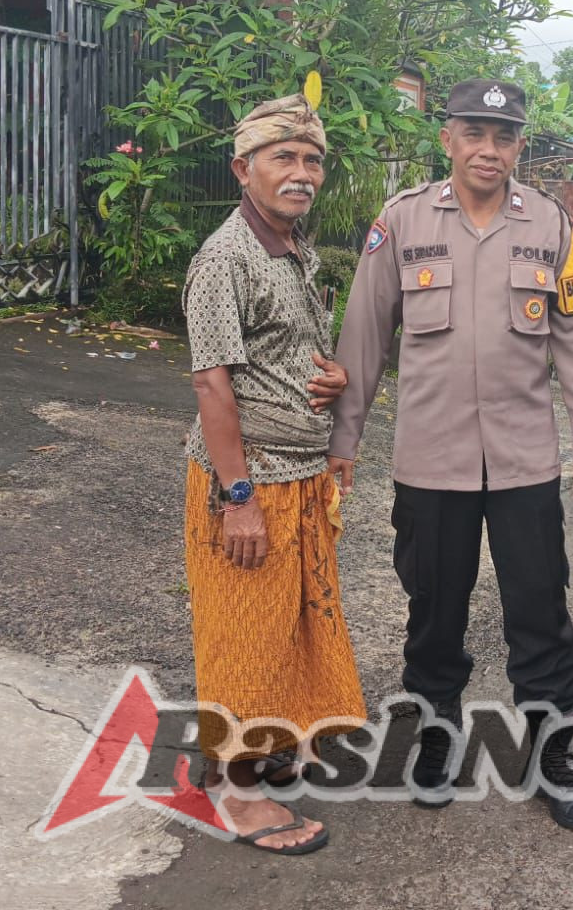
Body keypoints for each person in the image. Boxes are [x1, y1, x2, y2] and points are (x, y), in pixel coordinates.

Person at [330, 79, 573, 831]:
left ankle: (553, 760)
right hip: (431, 461)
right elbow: (364, 335)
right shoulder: (402, 221)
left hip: (524, 462)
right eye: (475, 133)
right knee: (433, 612)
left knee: (541, 614)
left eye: (504, 136)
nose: (489, 149)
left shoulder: (551, 224)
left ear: (519, 146)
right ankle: (436, 742)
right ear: (448, 139)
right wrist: (343, 440)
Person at [181, 92, 364, 857]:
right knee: (246, 638)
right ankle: (236, 790)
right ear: (242, 169)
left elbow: (283, 350)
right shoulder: (225, 257)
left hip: (299, 481)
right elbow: (212, 384)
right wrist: (239, 500)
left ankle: (265, 750)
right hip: (249, 483)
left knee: (289, 629)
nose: (302, 172)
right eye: (283, 156)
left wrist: (333, 379)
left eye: (312, 159)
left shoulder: (290, 247)